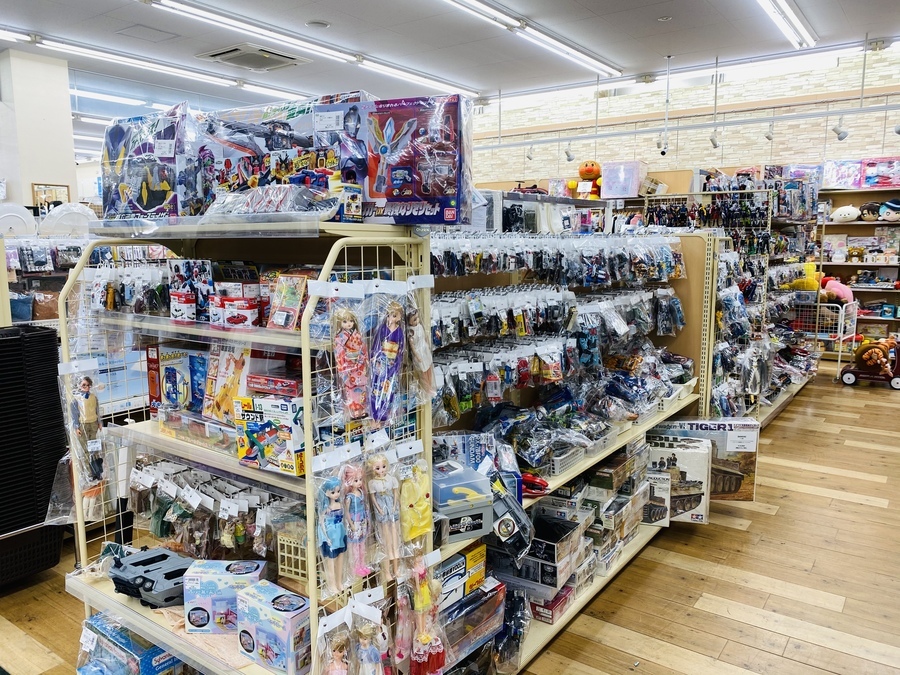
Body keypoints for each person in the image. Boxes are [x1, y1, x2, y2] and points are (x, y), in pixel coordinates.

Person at [71, 376, 101, 450]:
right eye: (84, 385)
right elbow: (75, 414)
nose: (87, 387)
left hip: (93, 423)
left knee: (94, 444)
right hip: (83, 424)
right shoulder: (76, 399)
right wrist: (76, 427)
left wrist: (99, 422)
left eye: (88, 385)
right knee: (84, 445)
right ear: (79, 385)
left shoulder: (93, 397)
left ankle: (94, 456)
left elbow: (97, 410)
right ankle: (87, 457)